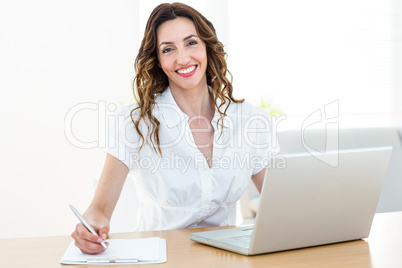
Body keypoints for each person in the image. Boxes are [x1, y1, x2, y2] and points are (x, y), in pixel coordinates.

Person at [71, 2, 279, 254]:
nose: (182, 58)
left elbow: (279, 206)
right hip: (159, 257)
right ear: (157, 60)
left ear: (206, 46)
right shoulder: (134, 122)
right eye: (168, 49)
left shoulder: (251, 121)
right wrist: (90, 227)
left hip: (225, 257)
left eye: (191, 42)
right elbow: (99, 210)